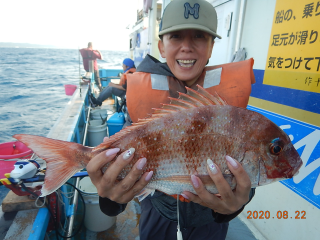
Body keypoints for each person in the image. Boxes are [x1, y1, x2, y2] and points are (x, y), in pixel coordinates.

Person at [87, 0, 256, 239]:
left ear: (210, 48)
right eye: (175, 37)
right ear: (162, 47)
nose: (186, 47)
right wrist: (110, 200)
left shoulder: (229, 113)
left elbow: (245, 173)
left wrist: (233, 206)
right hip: (158, 214)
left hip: (209, 222)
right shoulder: (145, 105)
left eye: (199, 36)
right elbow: (123, 168)